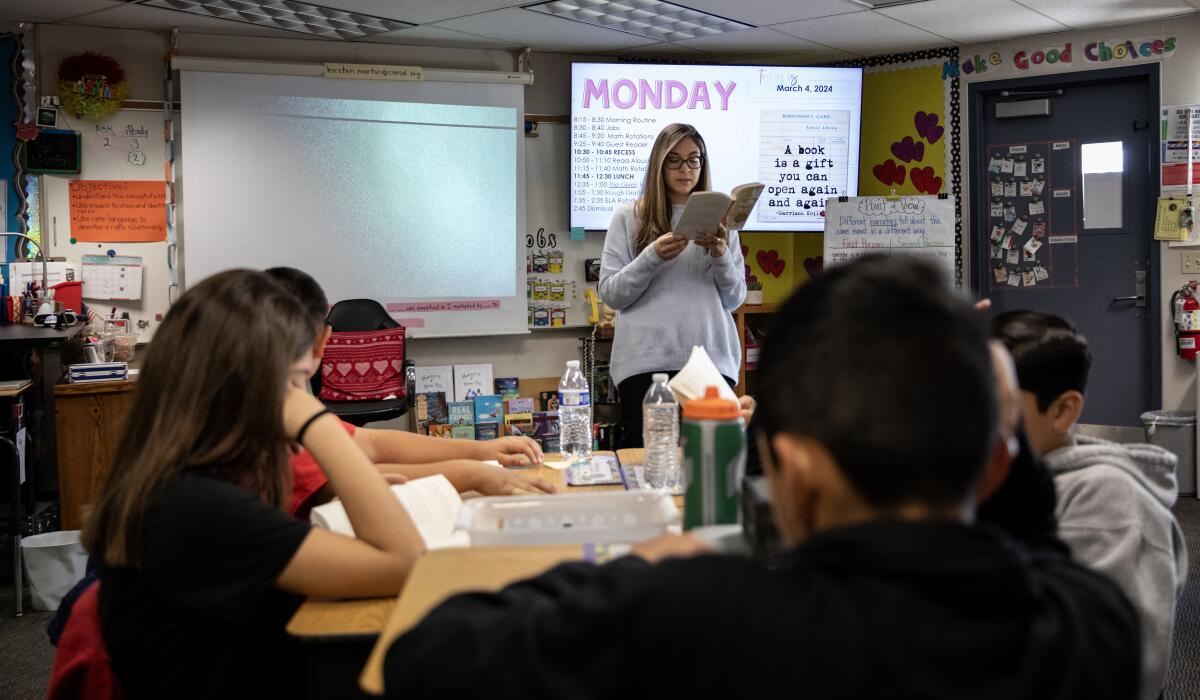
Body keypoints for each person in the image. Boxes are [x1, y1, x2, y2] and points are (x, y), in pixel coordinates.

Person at [382, 255, 1138, 699]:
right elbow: (1029, 527)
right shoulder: (1088, 625)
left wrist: (638, 575)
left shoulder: (693, 615)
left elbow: (424, 656)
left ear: (794, 473)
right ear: (1002, 454)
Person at [80, 270, 427, 699]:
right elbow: (406, 564)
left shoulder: (185, 484)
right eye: (299, 384)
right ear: (262, 388)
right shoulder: (197, 507)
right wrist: (318, 425)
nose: (306, 399)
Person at [993, 309, 1188, 700]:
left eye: (995, 404)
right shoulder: (1000, 478)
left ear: (1063, 410)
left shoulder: (1110, 503)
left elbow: (1124, 672)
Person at [264, 267, 555, 516]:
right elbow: (345, 482)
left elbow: (373, 444)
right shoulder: (284, 415)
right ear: (324, 339)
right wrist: (473, 472)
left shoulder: (265, 401)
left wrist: (481, 451)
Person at [598, 123, 745, 448]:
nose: (685, 169)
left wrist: (720, 254)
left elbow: (734, 298)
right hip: (644, 362)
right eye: (674, 160)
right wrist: (652, 257)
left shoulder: (722, 221)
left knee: (711, 458)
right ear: (659, 165)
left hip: (710, 361)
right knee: (647, 460)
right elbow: (610, 293)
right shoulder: (628, 217)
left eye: (694, 159)